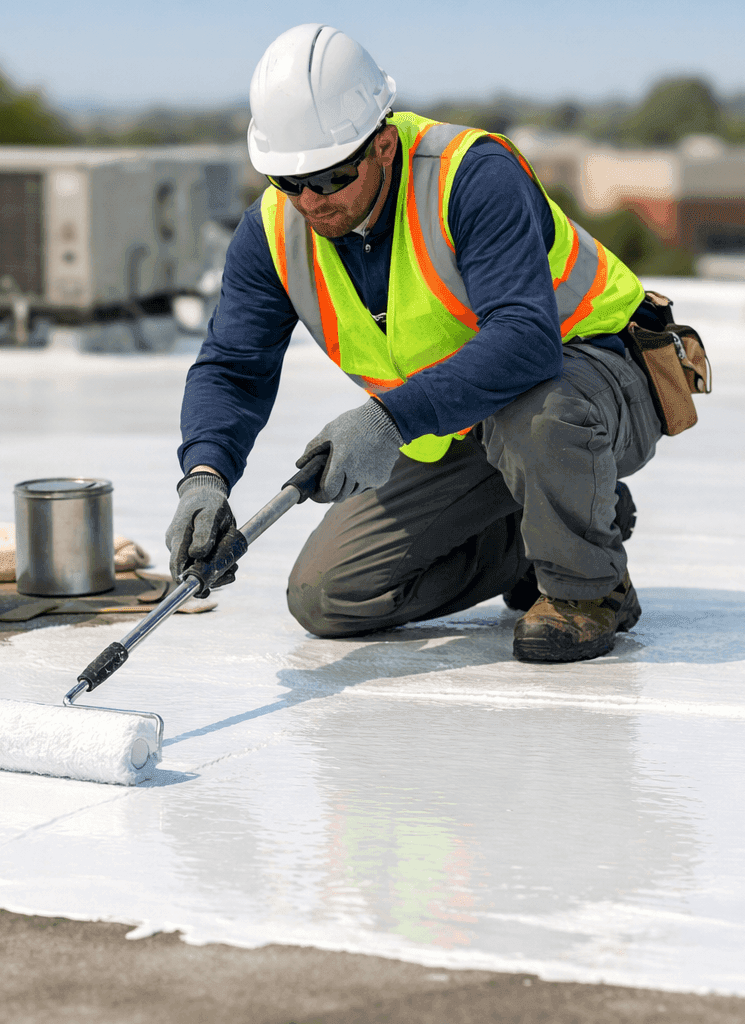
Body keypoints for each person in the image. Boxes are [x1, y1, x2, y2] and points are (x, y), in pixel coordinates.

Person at [166, 24, 666, 663]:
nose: (310, 202)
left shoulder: (472, 176)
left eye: (330, 178)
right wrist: (205, 477)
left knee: (536, 412)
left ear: (380, 144)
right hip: (459, 422)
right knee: (327, 597)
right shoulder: (272, 231)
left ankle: (588, 589)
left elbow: (524, 342)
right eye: (288, 182)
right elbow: (234, 368)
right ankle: (545, 526)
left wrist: (387, 418)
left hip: (598, 378)